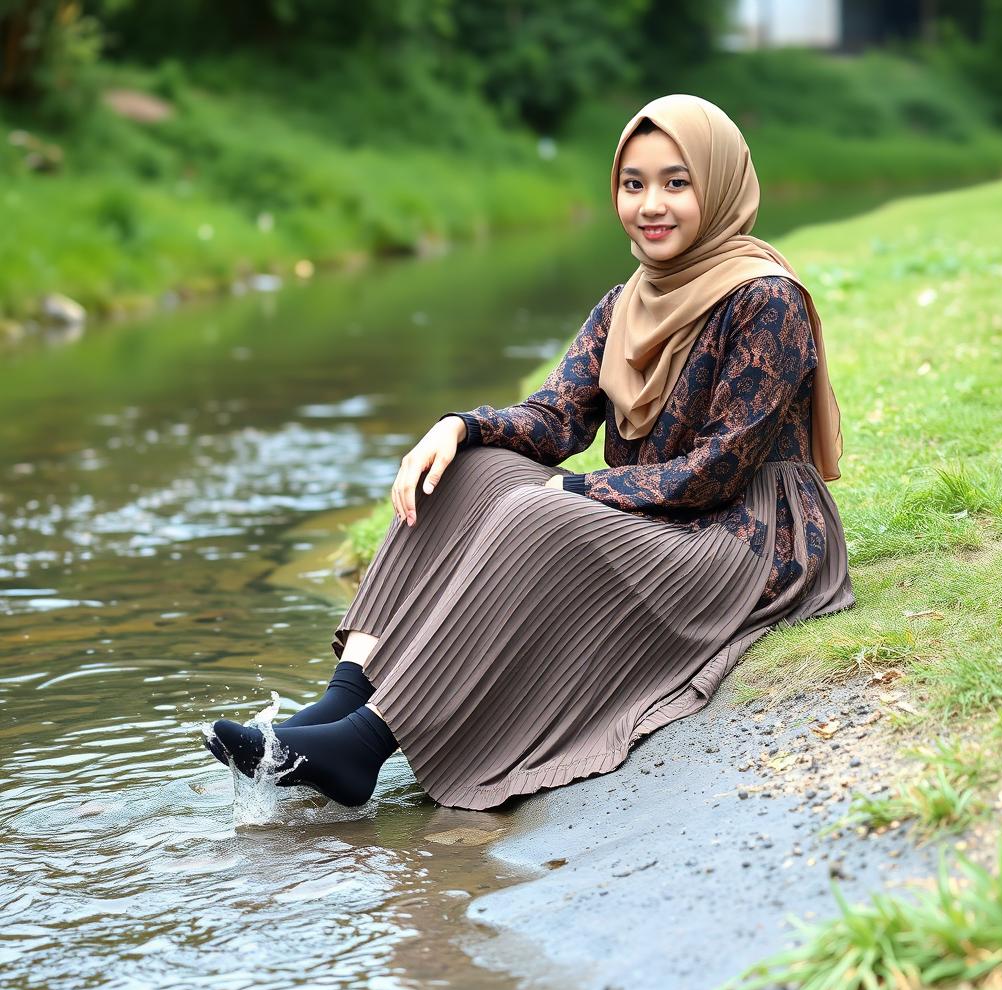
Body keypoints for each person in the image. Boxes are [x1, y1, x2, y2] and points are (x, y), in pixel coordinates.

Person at [204, 94, 855, 811]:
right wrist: (459, 428)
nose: (650, 205)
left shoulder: (766, 300)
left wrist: (578, 494)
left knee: (532, 513)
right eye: (633, 185)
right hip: (663, 512)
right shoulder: (626, 300)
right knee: (465, 474)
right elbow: (557, 418)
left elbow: (719, 470)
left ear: (721, 184)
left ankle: (365, 744)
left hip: (749, 538)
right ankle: (334, 709)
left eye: (677, 182)